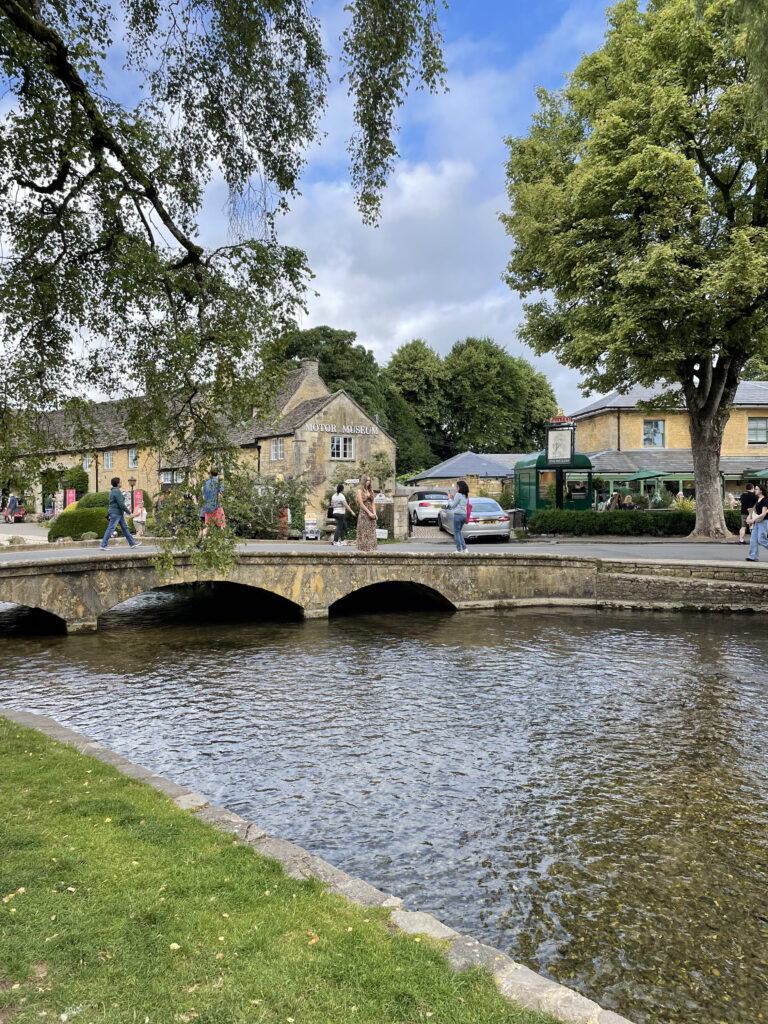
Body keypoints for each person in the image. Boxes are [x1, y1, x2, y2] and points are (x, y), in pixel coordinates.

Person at [100, 476, 141, 550]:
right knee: (111, 528)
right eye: (120, 482)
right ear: (117, 483)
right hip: (116, 513)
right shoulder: (116, 491)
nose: (121, 483)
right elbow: (121, 504)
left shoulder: (113, 491)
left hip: (118, 513)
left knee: (125, 528)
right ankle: (103, 545)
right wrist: (129, 513)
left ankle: (132, 543)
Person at [746, 483, 768, 561]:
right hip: (757, 522)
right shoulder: (758, 499)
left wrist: (753, 520)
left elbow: (763, 513)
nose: (755, 490)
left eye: (756, 489)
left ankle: (753, 556)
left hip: (764, 522)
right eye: (755, 489)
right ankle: (753, 556)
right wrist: (751, 511)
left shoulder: (765, 500)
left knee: (761, 540)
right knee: (753, 539)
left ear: (761, 491)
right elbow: (757, 511)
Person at [200, 468, 225, 538]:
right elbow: (219, 495)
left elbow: (203, 496)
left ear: (210, 474)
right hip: (216, 506)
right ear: (218, 474)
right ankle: (222, 540)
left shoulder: (206, 483)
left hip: (207, 506)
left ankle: (204, 540)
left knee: (207, 524)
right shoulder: (219, 483)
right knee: (222, 523)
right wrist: (220, 505)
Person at [355, 474, 378, 551]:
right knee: (364, 531)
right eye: (367, 480)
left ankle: (371, 549)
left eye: (369, 480)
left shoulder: (371, 491)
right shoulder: (360, 491)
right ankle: (363, 549)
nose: (368, 482)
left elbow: (373, 503)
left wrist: (374, 513)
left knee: (371, 531)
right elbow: (361, 504)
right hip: (364, 513)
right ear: (364, 481)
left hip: (371, 513)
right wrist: (369, 513)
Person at [446, 479, 469, 552]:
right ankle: (465, 549)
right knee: (459, 532)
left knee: (456, 533)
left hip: (458, 515)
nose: (456, 487)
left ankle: (459, 550)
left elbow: (452, 505)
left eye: (457, 486)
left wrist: (449, 499)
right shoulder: (465, 495)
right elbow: (459, 503)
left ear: (460, 487)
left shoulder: (458, 494)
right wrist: (453, 498)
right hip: (464, 515)